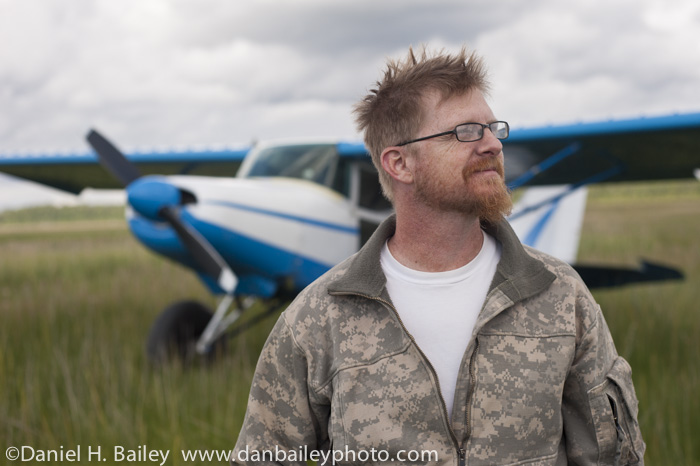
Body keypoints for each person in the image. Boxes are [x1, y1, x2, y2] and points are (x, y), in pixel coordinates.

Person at [230, 46, 646, 465]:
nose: (492, 145)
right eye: (465, 131)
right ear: (400, 163)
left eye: (492, 128)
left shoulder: (561, 294)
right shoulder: (316, 319)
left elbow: (612, 456)